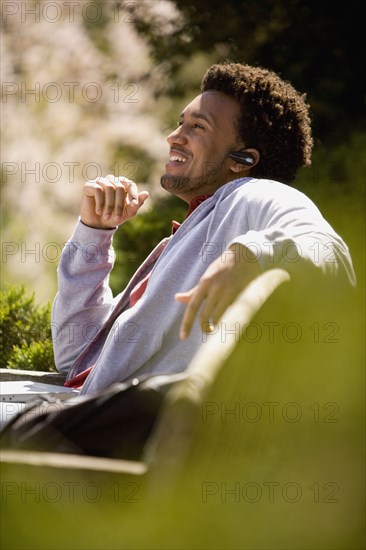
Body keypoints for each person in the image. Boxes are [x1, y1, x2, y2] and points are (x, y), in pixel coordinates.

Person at [52, 61, 356, 395]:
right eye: (180, 123)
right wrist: (94, 234)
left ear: (243, 160)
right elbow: (74, 357)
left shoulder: (251, 194)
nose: (173, 136)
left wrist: (249, 255)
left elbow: (326, 248)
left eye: (198, 127)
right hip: (83, 412)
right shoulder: (188, 237)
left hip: (126, 425)